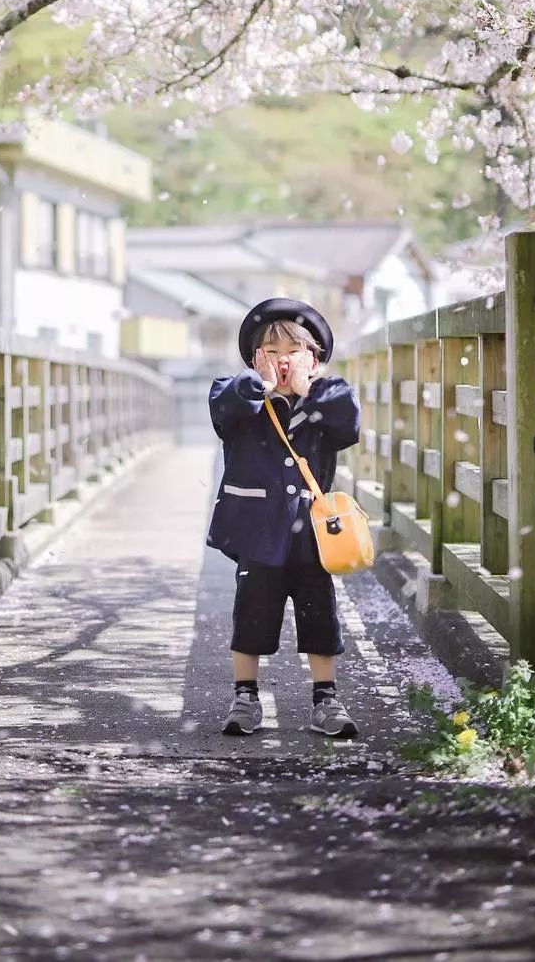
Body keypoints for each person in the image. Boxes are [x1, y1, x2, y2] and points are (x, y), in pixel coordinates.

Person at [208, 298, 361, 739]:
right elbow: (225, 410)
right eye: (270, 352)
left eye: (292, 352)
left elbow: (348, 423)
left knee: (320, 614)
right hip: (258, 533)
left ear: (312, 358)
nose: (281, 361)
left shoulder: (328, 396)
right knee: (252, 612)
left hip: (315, 536)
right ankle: (245, 694)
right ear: (255, 359)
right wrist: (259, 383)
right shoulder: (239, 393)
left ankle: (326, 697)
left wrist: (307, 387)